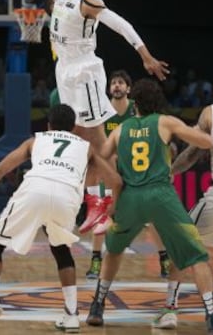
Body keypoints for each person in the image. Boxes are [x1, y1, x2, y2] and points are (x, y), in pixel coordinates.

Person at [0, 103, 122, 333]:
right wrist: (105, 212)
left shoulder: (35, 140)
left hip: (35, 188)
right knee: (61, 250)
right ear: (73, 128)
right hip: (68, 197)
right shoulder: (86, 147)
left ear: (49, 125)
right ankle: (72, 315)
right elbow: (115, 180)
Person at [85, 78, 213, 335]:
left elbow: (101, 157)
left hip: (130, 199)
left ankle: (97, 306)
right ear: (157, 101)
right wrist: (201, 131)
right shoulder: (165, 121)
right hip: (162, 197)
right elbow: (205, 142)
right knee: (197, 257)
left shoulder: (121, 129)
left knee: (113, 252)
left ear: (135, 104)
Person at [43, 0, 169, 189]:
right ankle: (87, 193)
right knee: (73, 132)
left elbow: (121, 24)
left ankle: (110, 195)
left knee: (95, 136)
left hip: (84, 70)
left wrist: (145, 56)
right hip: (64, 69)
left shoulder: (88, 1)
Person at [154, 67, 213, 329]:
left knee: (182, 243)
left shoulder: (212, 111)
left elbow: (193, 153)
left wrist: (170, 172)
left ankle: (170, 309)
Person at [84, 69, 170, 280]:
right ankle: (96, 260)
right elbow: (98, 146)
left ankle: (164, 258)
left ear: (129, 89)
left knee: (152, 217)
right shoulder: (102, 112)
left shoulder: (138, 109)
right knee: (100, 214)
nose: (116, 85)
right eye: (113, 82)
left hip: (136, 172)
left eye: (121, 82)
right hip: (110, 171)